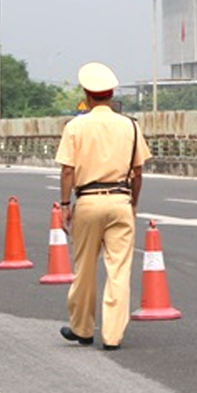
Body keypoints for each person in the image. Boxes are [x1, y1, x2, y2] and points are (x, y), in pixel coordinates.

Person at [55, 63, 150, 351]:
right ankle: (113, 335)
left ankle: (83, 328)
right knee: (119, 270)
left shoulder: (75, 126)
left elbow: (67, 171)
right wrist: (132, 203)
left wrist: (64, 205)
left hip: (88, 200)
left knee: (84, 268)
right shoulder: (131, 126)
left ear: (87, 94)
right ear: (111, 94)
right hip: (120, 199)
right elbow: (138, 172)